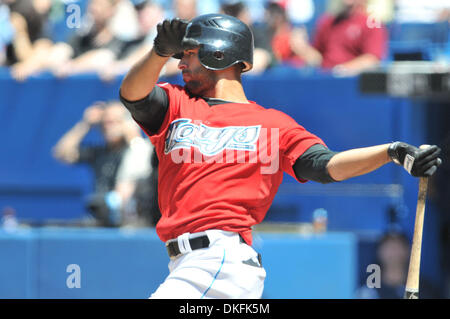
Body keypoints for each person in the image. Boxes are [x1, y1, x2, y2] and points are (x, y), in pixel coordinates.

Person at [119, 13, 442, 298]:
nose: (180, 63)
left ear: (219, 53)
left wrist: (391, 152)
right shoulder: (177, 104)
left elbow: (326, 166)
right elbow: (133, 94)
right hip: (187, 263)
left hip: (219, 259)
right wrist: (157, 52)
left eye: (189, 54)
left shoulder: (272, 124)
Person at [53, 101, 152, 227]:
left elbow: (141, 151)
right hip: (101, 217)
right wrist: (85, 124)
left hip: (128, 222)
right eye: (104, 123)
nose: (107, 127)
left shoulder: (136, 150)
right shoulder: (99, 152)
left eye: (113, 122)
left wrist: (132, 130)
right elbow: (62, 153)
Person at [291, 0, 388, 76]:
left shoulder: (372, 23)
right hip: (325, 80)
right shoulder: (327, 22)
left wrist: (341, 70)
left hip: (351, 84)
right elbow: (318, 59)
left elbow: (372, 60)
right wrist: (302, 48)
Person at [356, 232, 441, 298]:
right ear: (379, 251)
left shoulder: (425, 288)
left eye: (398, 246)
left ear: (409, 251)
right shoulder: (367, 289)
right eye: (389, 246)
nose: (394, 251)